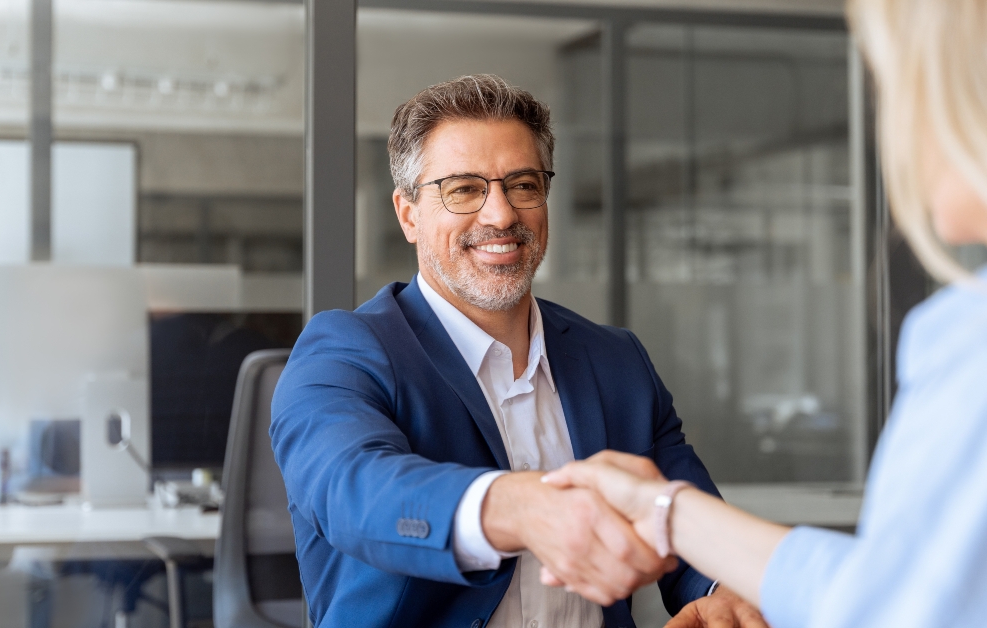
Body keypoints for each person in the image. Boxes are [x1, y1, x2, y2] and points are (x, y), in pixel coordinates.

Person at [541, 1, 987, 626]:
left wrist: (682, 540)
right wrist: (662, 509)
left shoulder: (970, 337)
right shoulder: (363, 347)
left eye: (897, 83)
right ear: (407, 213)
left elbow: (892, 607)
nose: (898, 127)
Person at [270, 75, 764, 627]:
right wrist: (519, 508)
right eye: (463, 189)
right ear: (409, 214)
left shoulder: (617, 360)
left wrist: (722, 588)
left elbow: (682, 512)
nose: (501, 215)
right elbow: (353, 492)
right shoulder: (343, 352)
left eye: (523, 185)